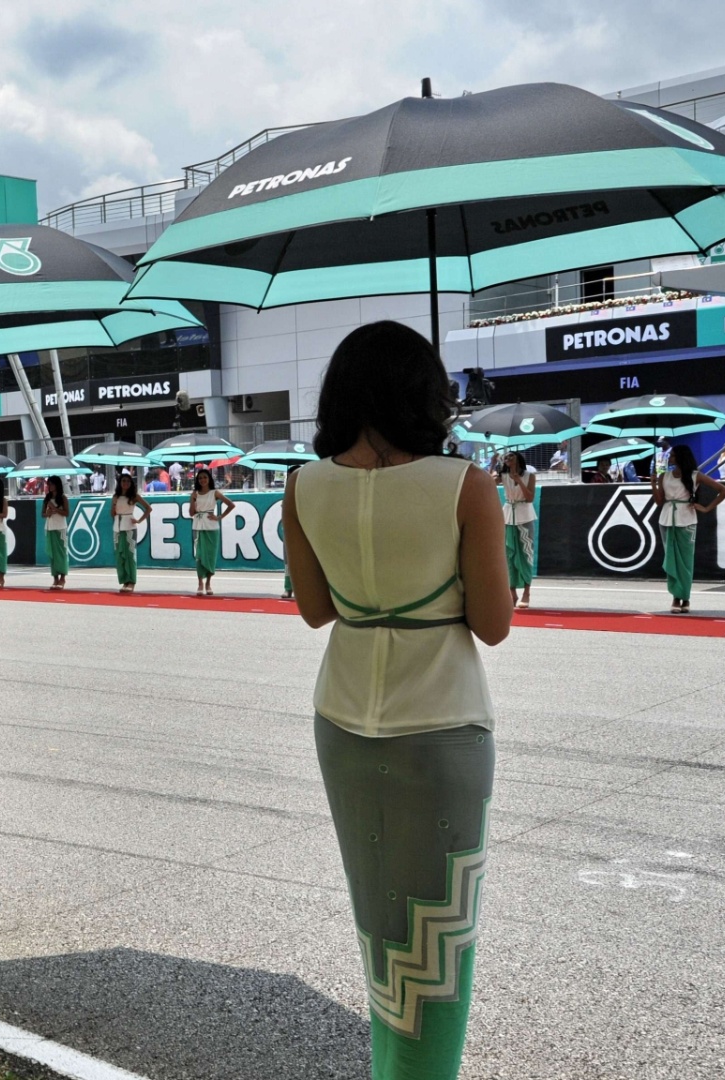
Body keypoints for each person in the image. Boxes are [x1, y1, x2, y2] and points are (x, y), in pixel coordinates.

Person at [282, 320, 512, 1080]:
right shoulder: (467, 485)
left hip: (343, 716)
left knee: (380, 917)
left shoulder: (304, 484)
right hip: (443, 722)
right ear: (425, 392)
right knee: (438, 934)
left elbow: (316, 610)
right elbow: (494, 623)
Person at [653, 444, 725, 614]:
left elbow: (723, 490)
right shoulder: (664, 476)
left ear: (680, 457)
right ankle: (675, 597)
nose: (669, 458)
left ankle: (685, 598)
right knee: (671, 558)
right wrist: (653, 484)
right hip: (666, 519)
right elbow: (659, 502)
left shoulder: (695, 476)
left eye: (672, 455)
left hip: (686, 520)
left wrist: (707, 508)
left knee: (686, 561)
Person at [498, 451, 537, 610]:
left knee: (526, 553)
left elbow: (530, 498)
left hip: (525, 515)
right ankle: (511, 592)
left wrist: (518, 481)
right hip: (508, 516)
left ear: (518, 459)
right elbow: (487, 482)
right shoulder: (503, 475)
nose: (507, 459)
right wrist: (494, 464)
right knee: (508, 554)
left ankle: (527, 592)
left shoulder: (529, 476)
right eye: (505, 457)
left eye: (511, 456)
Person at [188, 468, 234, 596]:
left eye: (205, 477)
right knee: (199, 555)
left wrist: (219, 517)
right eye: (200, 478)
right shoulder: (195, 493)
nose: (203, 480)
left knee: (210, 555)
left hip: (211, 526)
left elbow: (230, 504)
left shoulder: (215, 493)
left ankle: (208, 582)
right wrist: (192, 500)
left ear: (209, 479)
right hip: (197, 525)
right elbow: (191, 513)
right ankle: (200, 583)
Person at [111, 473, 149, 594]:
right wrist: (114, 504)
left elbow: (148, 508)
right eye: (123, 481)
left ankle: (131, 581)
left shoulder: (134, 496)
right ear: (120, 483)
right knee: (119, 555)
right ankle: (124, 580)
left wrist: (139, 520)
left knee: (130, 554)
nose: (125, 483)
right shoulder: (115, 496)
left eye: (128, 481)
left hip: (129, 527)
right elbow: (112, 514)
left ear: (131, 483)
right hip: (117, 527)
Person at [42, 481, 69, 589]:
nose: (50, 486)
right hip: (49, 527)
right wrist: (47, 513)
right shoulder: (47, 498)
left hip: (60, 527)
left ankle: (62, 578)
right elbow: (43, 514)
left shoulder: (63, 498)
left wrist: (55, 508)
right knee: (52, 554)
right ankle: (55, 578)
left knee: (61, 553)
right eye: (49, 485)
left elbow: (66, 513)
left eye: (52, 484)